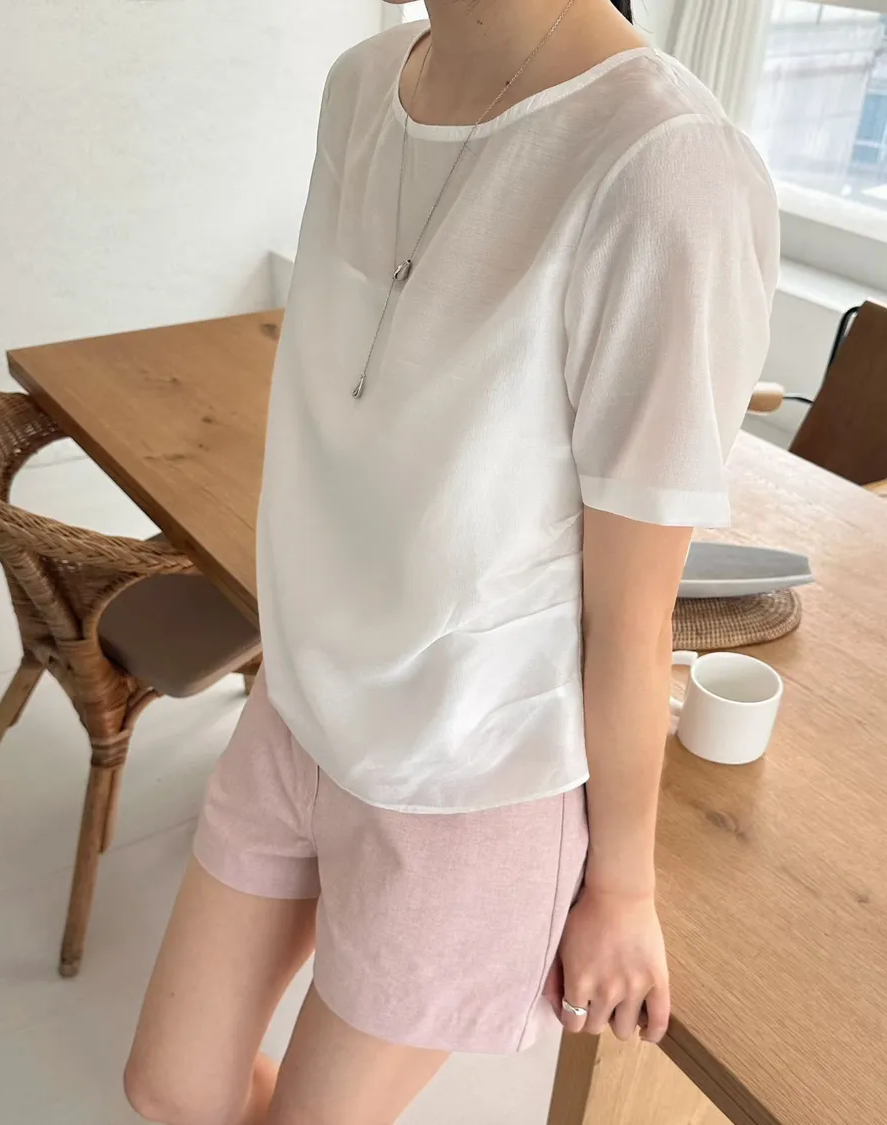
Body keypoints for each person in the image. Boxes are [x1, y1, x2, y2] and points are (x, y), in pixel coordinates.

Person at [124, 0, 779, 1121]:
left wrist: (622, 885)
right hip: (302, 705)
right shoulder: (363, 83)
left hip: (476, 768)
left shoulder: (668, 167)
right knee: (171, 1088)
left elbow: (632, 616)